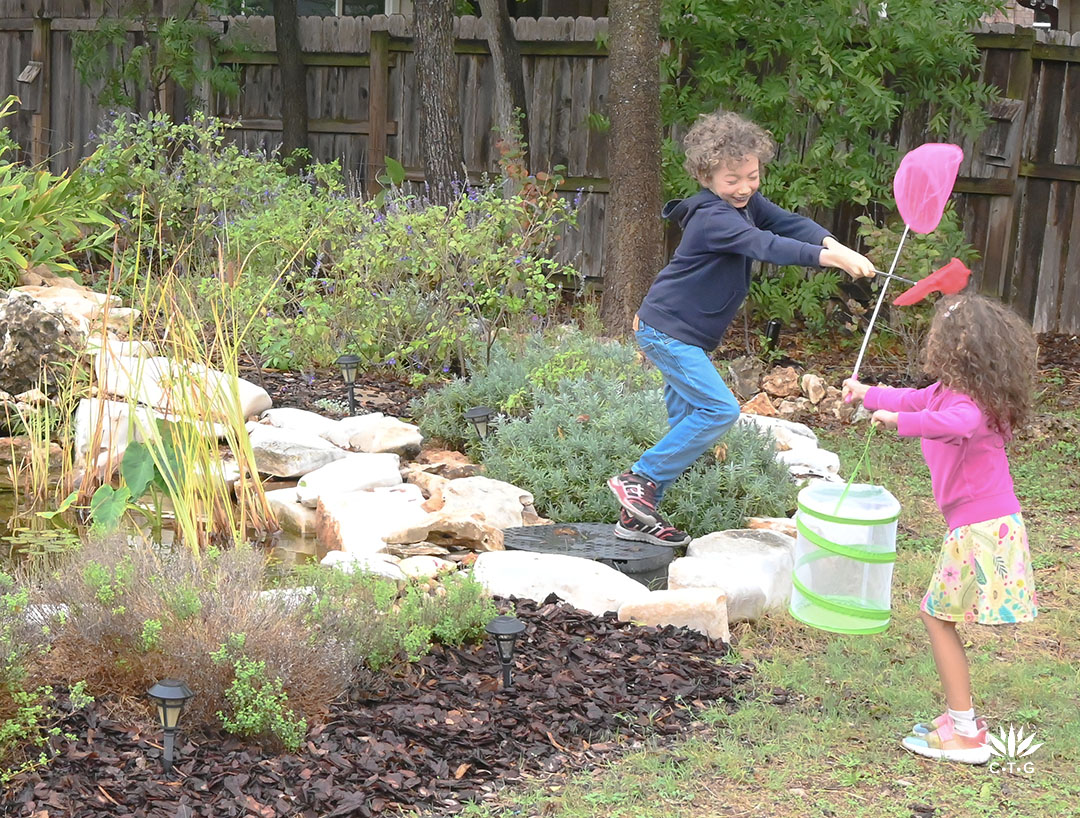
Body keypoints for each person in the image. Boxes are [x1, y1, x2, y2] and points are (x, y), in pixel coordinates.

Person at [607, 111, 875, 547]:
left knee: (688, 422)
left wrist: (835, 243)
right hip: (667, 331)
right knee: (718, 411)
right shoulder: (715, 217)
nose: (745, 188)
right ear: (705, 174)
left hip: (681, 332)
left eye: (752, 176)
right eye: (733, 179)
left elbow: (790, 224)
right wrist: (833, 261)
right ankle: (640, 479)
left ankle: (636, 517)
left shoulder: (746, 204)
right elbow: (766, 245)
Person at [843, 293, 1038, 765]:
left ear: (953, 348)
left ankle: (964, 731)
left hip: (982, 529)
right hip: (979, 525)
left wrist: (899, 422)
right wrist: (866, 393)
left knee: (936, 617)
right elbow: (912, 398)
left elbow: (954, 422)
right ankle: (960, 721)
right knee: (938, 616)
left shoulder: (970, 404)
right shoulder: (949, 391)